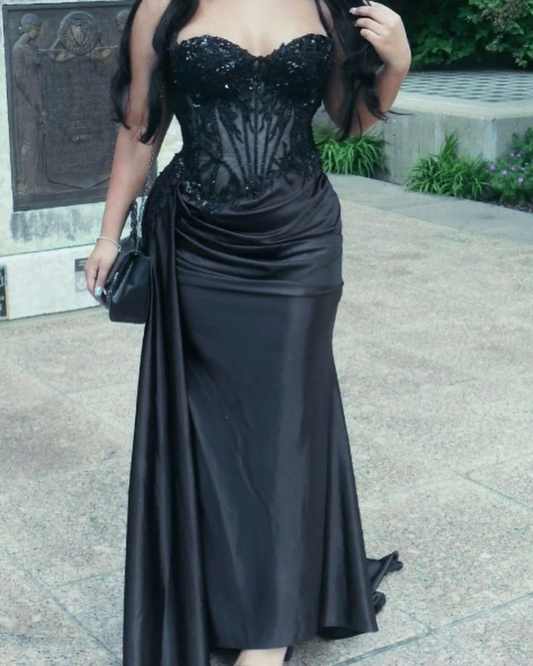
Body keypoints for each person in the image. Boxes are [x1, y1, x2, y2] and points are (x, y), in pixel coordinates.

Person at [84, 1, 411, 664]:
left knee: (286, 420)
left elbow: (349, 119)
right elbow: (140, 128)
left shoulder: (323, 5)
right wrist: (108, 235)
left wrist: (396, 62)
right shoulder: (165, 5)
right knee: (214, 428)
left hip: (300, 238)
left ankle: (267, 637)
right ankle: (223, 592)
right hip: (199, 241)